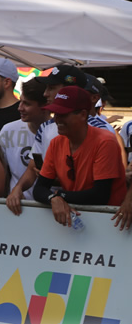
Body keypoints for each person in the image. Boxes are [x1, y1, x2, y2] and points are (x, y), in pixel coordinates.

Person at [33, 86, 127, 227]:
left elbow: (100, 195)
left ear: (83, 115)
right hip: (79, 220)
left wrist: (59, 195)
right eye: (55, 113)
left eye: (63, 114)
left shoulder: (104, 141)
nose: (57, 119)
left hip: (111, 223)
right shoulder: (56, 143)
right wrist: (53, 198)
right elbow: (39, 188)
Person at [5, 66, 86, 215]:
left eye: (52, 88)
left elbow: (98, 187)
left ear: (69, 90)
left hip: (86, 212)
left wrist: (56, 186)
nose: (45, 93)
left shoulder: (100, 131)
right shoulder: (46, 128)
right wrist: (18, 188)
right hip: (48, 211)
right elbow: (33, 170)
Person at [0, 78, 50, 208]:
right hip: (16, 207)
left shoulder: (59, 133)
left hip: (51, 207)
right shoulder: (8, 130)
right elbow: (1, 173)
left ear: (45, 106)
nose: (20, 108)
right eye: (20, 101)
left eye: (27, 104)